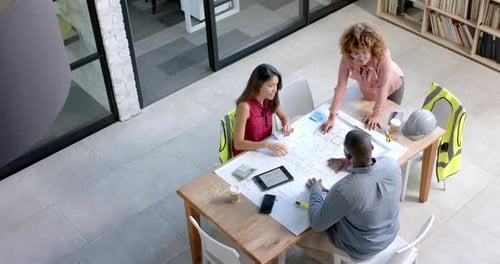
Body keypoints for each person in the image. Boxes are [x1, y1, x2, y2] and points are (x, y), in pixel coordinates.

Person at [299, 130, 401, 263]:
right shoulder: (391, 164)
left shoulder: (343, 190)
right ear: (372, 148)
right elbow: (370, 171)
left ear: (347, 154)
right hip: (390, 233)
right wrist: (350, 163)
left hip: (363, 248)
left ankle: (335, 261)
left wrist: (315, 190)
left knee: (302, 239)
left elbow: (317, 225)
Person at [322, 22, 405, 132]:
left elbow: (382, 87)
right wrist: (332, 116)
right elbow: (341, 86)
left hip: (393, 85)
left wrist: (376, 115)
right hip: (370, 88)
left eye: (364, 52)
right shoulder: (347, 58)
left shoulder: (383, 56)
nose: (361, 58)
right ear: (349, 52)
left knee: (388, 123)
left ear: (372, 49)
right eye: (356, 53)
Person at [233, 63, 293, 157]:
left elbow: (283, 116)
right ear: (258, 85)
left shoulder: (270, 99)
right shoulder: (245, 107)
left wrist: (287, 124)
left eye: (276, 85)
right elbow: (238, 144)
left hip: (263, 151)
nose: (275, 90)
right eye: (271, 86)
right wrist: (266, 145)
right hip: (246, 155)